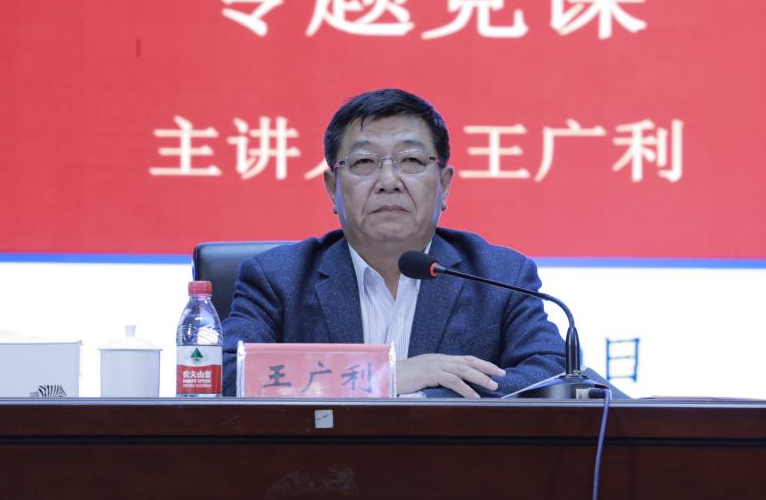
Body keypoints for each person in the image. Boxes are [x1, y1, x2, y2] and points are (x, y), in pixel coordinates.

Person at [222, 88, 565, 397]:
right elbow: (224, 376)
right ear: (332, 187)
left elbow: (550, 377)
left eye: (411, 161)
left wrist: (423, 396)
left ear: (444, 185)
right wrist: (387, 377)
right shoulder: (278, 279)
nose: (389, 181)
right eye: (364, 162)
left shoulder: (498, 276)